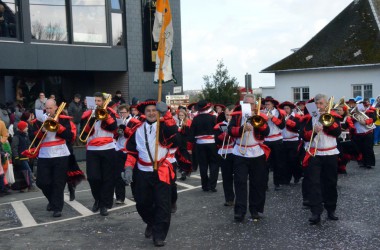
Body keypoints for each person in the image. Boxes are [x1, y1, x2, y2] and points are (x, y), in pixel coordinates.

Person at [122, 100, 178, 247]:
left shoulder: (165, 127)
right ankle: (151, 222)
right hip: (142, 171)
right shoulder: (137, 130)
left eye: (154, 110)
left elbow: (174, 134)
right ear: (144, 113)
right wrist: (128, 168)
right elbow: (132, 152)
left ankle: (159, 235)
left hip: (161, 171)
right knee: (141, 203)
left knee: (163, 205)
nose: (152, 113)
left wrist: (166, 114)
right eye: (148, 111)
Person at [228, 94, 270, 222]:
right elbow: (230, 131)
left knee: (257, 183)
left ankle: (255, 209)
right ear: (242, 104)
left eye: (252, 104)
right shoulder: (236, 115)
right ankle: (240, 211)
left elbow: (266, 132)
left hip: (256, 152)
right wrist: (242, 129)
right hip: (240, 152)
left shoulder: (260, 116)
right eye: (246, 103)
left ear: (255, 105)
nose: (249, 106)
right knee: (240, 182)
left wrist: (258, 124)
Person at [27, 99, 73, 217]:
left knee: (58, 182)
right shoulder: (39, 120)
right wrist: (41, 130)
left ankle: (57, 208)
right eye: (46, 108)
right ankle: (53, 201)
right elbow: (32, 137)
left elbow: (69, 136)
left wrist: (58, 127)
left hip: (61, 154)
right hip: (44, 154)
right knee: (42, 182)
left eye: (50, 108)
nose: (48, 110)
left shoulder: (63, 119)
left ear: (56, 107)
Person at [302, 94, 341, 225]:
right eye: (317, 104)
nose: (318, 106)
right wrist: (313, 131)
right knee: (314, 183)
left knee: (330, 182)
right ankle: (316, 212)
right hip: (315, 153)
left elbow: (337, 133)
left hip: (330, 153)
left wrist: (326, 125)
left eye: (321, 104)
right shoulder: (309, 117)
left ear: (326, 105)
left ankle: (331, 209)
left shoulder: (334, 117)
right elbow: (304, 136)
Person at [80, 92, 118, 216]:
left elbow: (114, 127)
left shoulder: (110, 113)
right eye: (95, 101)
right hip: (92, 149)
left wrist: (105, 116)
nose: (97, 103)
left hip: (108, 148)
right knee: (93, 177)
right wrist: (92, 119)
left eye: (99, 101)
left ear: (103, 102)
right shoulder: (87, 114)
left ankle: (104, 204)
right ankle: (97, 198)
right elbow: (83, 135)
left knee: (108, 178)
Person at [189, 100, 219, 192]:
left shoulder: (195, 119)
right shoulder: (213, 118)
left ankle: (204, 186)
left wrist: (190, 146)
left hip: (200, 144)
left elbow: (191, 134)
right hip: (212, 144)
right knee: (214, 164)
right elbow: (217, 131)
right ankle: (212, 186)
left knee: (203, 165)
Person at [262, 96, 285, 190]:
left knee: (278, 163)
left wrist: (273, 118)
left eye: (268, 104)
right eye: (266, 104)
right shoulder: (262, 112)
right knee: (265, 164)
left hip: (277, 140)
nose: (266, 106)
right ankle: (265, 184)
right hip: (266, 140)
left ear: (273, 105)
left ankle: (277, 183)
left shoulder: (279, 112)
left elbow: (282, 126)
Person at [214, 105, 235, 206]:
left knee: (239, 178)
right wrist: (227, 133)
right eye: (227, 115)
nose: (229, 117)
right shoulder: (220, 125)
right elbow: (217, 140)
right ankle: (229, 198)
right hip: (224, 153)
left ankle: (240, 198)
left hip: (237, 152)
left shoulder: (240, 125)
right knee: (226, 177)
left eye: (231, 115)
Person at [278, 101, 302, 184]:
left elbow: (298, 127)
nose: (285, 110)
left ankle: (297, 176)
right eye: (284, 109)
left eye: (287, 108)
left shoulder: (297, 117)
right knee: (285, 161)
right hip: (283, 141)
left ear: (291, 109)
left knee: (293, 160)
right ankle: (286, 179)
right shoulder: (280, 117)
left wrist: (287, 121)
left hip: (293, 141)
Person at [11, 121, 38, 192]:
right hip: (21, 158)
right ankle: (31, 186)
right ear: (22, 128)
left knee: (25, 172)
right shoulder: (17, 137)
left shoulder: (25, 136)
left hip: (25, 157)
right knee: (28, 171)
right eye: (26, 127)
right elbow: (14, 148)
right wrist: (16, 157)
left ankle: (25, 186)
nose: (27, 128)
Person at [350, 99, 376, 169]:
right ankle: (362, 162)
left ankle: (369, 163)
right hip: (358, 132)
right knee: (360, 148)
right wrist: (353, 117)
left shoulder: (371, 110)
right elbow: (351, 120)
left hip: (368, 131)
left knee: (368, 148)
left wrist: (365, 122)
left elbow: (374, 118)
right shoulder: (354, 112)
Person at [114, 104, 131, 204]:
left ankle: (136, 194)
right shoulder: (119, 121)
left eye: (124, 112)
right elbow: (115, 135)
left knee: (132, 173)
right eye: (120, 113)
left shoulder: (132, 121)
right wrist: (117, 131)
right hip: (119, 148)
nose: (122, 114)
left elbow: (132, 134)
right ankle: (120, 197)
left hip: (129, 150)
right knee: (118, 174)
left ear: (128, 112)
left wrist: (125, 128)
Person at [175, 109, 192, 180]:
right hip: (179, 143)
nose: (180, 116)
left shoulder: (188, 122)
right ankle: (182, 172)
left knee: (185, 158)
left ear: (185, 115)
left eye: (182, 115)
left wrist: (189, 146)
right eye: (179, 115)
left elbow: (189, 135)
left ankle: (184, 172)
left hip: (185, 143)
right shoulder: (177, 122)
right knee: (179, 158)